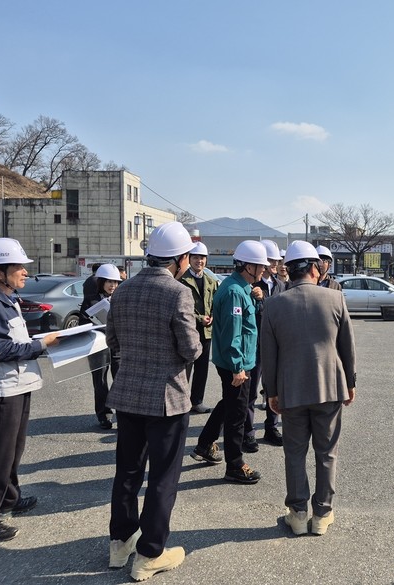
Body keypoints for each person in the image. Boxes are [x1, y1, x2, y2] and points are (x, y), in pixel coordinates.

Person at [105, 222, 201, 581]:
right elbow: (190, 349)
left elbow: (112, 341)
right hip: (166, 399)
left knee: (127, 471)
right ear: (179, 258)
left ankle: (120, 542)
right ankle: (150, 552)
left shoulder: (123, 289)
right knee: (163, 477)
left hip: (127, 394)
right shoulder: (178, 292)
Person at [260, 240, 356, 536]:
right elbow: (347, 346)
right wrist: (350, 382)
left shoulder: (274, 304)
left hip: (291, 390)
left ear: (288, 271)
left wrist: (271, 392)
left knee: (295, 452)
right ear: (315, 268)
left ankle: (298, 514)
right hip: (330, 386)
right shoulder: (335, 298)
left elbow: (268, 354)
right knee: (327, 452)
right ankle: (322, 514)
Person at [0, 238, 61, 542]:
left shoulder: (6, 298)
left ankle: (9, 498)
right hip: (0, 389)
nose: (24, 272)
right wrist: (41, 345)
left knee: (12, 451)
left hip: (17, 385)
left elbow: (14, 341)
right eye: (18, 267)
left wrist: (41, 343)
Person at [191, 240, 267, 484]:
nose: (264, 269)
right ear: (248, 266)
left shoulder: (240, 288)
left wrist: (256, 298)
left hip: (237, 361)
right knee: (237, 414)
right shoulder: (235, 291)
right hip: (237, 363)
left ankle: (204, 444)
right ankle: (235, 465)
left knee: (229, 403)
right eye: (260, 266)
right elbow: (233, 333)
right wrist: (238, 367)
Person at [245, 239, 286, 449]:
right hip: (256, 345)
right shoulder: (252, 285)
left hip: (276, 345)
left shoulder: (281, 285)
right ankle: (248, 432)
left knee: (273, 389)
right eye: (270, 260)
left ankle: (271, 427)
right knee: (251, 391)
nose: (274, 263)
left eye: (276, 260)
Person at [79, 264, 122, 429]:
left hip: (118, 346)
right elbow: (82, 323)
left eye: (115, 282)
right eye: (109, 282)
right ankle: (104, 414)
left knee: (121, 380)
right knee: (100, 382)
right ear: (101, 282)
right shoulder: (90, 300)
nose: (113, 285)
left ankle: (123, 415)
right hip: (98, 346)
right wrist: (94, 324)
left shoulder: (121, 298)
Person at [179, 242, 218, 414]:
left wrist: (213, 316)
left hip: (206, 332)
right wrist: (200, 318)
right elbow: (180, 309)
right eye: (195, 257)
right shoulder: (182, 280)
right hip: (188, 331)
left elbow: (216, 303)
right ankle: (181, 401)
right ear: (189, 259)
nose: (199, 261)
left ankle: (197, 401)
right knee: (185, 368)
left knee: (202, 369)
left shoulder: (211, 280)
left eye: (202, 258)